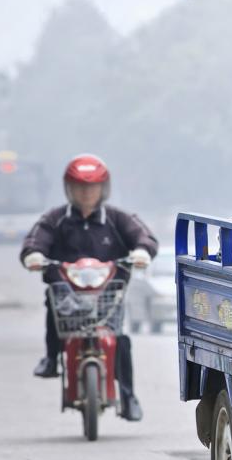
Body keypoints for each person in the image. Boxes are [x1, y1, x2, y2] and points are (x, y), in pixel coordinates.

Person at [19, 154, 158, 421]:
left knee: (120, 339)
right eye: (80, 187)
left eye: (92, 187)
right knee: (52, 302)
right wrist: (33, 255)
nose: (86, 193)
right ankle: (51, 358)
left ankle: (128, 396)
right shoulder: (55, 219)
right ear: (69, 189)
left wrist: (142, 251)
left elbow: (144, 236)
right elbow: (35, 240)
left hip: (107, 296)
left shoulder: (118, 219)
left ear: (102, 188)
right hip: (65, 294)